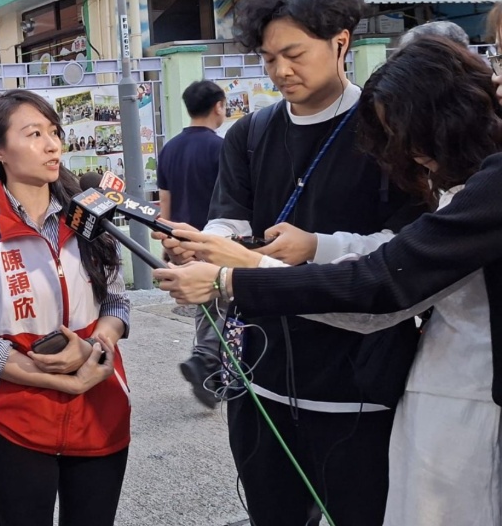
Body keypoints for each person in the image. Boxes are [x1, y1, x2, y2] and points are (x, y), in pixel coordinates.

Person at [155, 36, 502, 524]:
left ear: (340, 41)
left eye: (293, 54)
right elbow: (397, 258)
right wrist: (315, 246)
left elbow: (380, 286)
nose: (281, 71)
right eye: (269, 58)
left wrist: (235, 276)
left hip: (456, 402)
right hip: (362, 387)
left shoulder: (486, 184)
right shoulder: (250, 133)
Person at [0, 89, 130, 526]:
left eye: (54, 132)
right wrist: (53, 379)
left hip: (100, 411)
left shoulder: (90, 218)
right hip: (16, 424)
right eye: (34, 134)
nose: (52, 145)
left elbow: (118, 302)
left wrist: (98, 344)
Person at [156, 79, 226, 408]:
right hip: (215, 241)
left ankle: (211, 372)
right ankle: (205, 360)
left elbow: (164, 203)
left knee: (207, 306)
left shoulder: (170, 148)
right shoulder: (221, 148)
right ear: (219, 106)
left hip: (181, 241)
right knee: (225, 299)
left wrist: (167, 243)